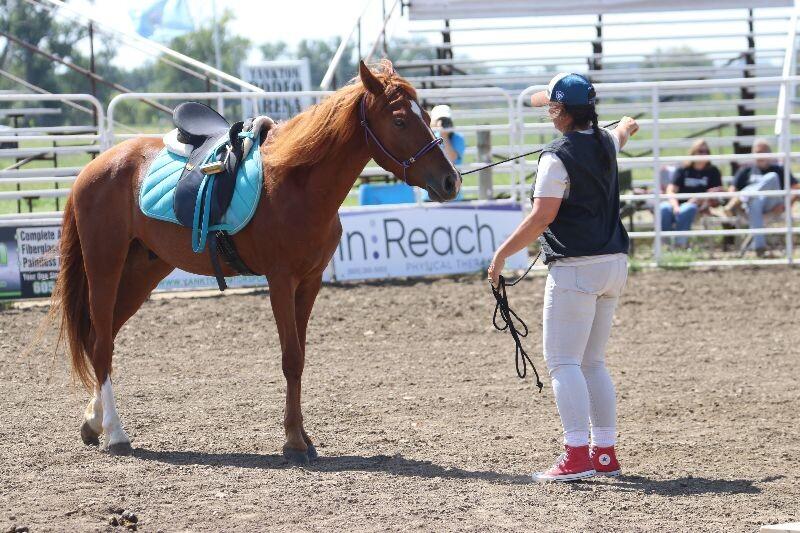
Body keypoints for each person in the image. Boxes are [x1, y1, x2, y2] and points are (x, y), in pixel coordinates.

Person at [487, 73, 639, 482]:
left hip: (576, 268)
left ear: (562, 111)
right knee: (592, 362)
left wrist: (502, 254)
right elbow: (621, 133)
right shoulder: (605, 141)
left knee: (563, 361)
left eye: (552, 108)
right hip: (613, 264)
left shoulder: (555, 157)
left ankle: (576, 455)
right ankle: (604, 453)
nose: (549, 114)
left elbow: (542, 216)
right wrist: (627, 124)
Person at [723, 139, 799, 254]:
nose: (760, 156)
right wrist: (739, 206)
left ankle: (743, 197)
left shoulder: (779, 169)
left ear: (769, 154)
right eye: (757, 152)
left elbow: (795, 188)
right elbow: (732, 189)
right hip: (750, 209)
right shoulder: (745, 170)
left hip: (773, 206)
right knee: (755, 200)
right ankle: (760, 248)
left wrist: (785, 206)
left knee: (772, 177)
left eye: (763, 152)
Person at [659, 139, 723, 247]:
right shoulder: (683, 169)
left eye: (706, 151)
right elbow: (671, 190)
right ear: (693, 152)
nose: (704, 154)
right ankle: (664, 245)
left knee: (688, 208)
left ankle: (680, 245)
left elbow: (717, 190)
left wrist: (700, 198)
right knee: (664, 208)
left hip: (698, 207)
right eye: (700, 151)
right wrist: (675, 206)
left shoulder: (713, 171)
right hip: (677, 204)